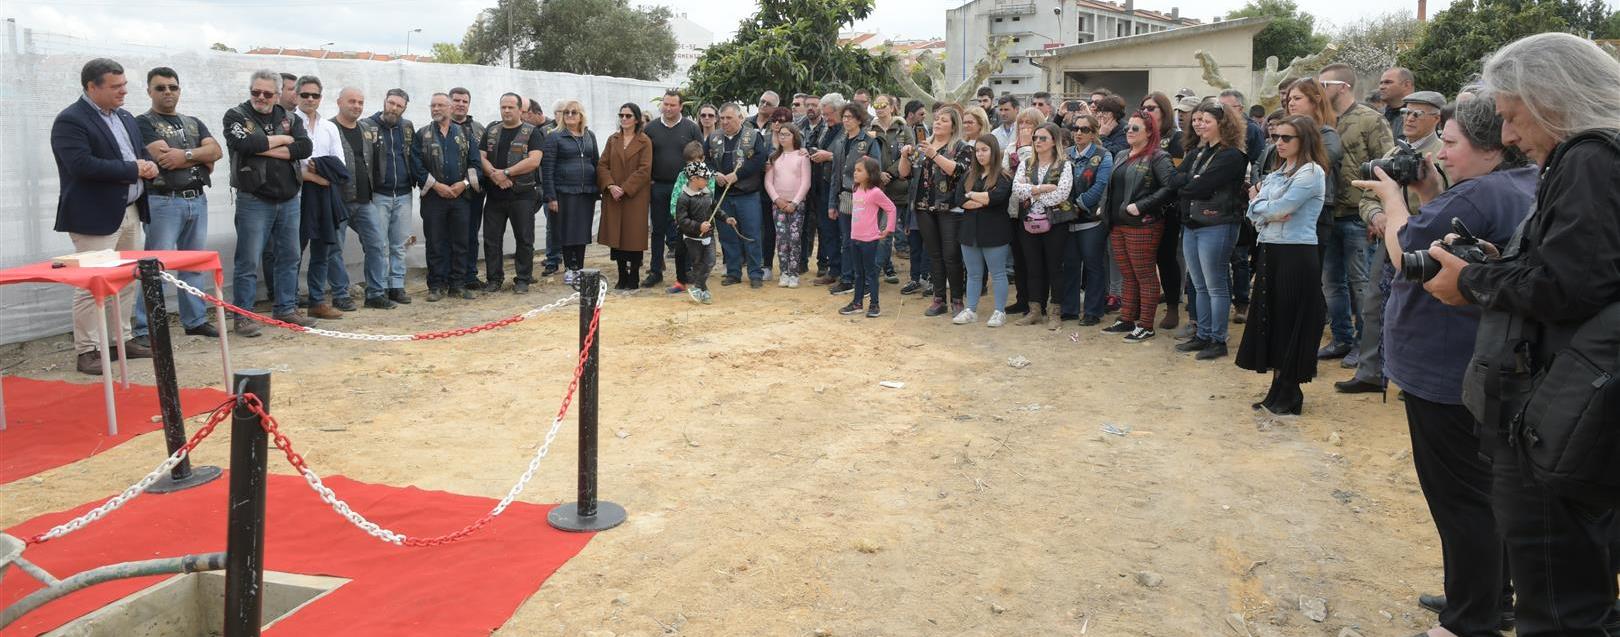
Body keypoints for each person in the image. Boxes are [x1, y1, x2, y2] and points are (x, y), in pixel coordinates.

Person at [1420, 32, 1620, 635]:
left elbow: (1569, 286)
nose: (1506, 137)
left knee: (1557, 599)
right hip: (1573, 409)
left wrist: (1475, 282)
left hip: (1558, 413)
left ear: (1552, 98)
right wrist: (1497, 264)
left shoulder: (1590, 157)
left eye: (1510, 117)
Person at [1352, 94, 1535, 637]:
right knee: (1486, 490)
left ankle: (1469, 618)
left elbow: (1406, 248)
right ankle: (1488, 596)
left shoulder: (1480, 193)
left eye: (1451, 143)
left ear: (1491, 147)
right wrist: (1432, 195)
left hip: (1444, 366)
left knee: (1460, 500)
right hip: (1478, 362)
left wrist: (1393, 199)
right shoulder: (1520, 184)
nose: (1442, 155)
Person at [1337, 90, 1451, 395]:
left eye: (1418, 114)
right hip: (1390, 241)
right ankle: (1371, 372)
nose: (1409, 119)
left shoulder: (1443, 154)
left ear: (1436, 118)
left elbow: (1449, 200)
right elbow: (1367, 195)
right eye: (1406, 113)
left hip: (1427, 243)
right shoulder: (1392, 155)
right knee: (1376, 304)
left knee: (1422, 309)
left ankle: (1414, 378)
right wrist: (1376, 215)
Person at [52, 58, 158, 374]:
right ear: (91, 87)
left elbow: (139, 153)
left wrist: (149, 165)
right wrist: (133, 169)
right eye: (115, 87)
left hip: (130, 211)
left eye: (124, 85)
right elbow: (81, 165)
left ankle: (119, 341)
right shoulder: (71, 120)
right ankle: (88, 350)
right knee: (92, 284)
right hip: (94, 216)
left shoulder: (124, 117)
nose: (123, 91)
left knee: (125, 281)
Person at [1237, 115, 1327, 415]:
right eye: (1276, 137)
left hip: (1296, 254)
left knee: (1290, 320)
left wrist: (1260, 205)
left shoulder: (1311, 172)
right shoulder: (1279, 171)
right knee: (1272, 320)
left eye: (1287, 138)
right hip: (1271, 250)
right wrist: (1261, 207)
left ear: (1305, 140)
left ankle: (1290, 391)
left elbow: (1281, 208)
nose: (1279, 143)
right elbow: (1261, 212)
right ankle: (1278, 387)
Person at [131, 66, 222, 348]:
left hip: (197, 198)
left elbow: (216, 152)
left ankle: (194, 321)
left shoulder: (193, 121)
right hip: (164, 200)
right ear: (149, 91)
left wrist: (185, 154)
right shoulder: (143, 122)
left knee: (193, 265)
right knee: (153, 267)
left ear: (179, 89)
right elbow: (163, 159)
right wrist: (198, 155)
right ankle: (145, 328)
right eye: (160, 88)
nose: (167, 92)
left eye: (172, 87)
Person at [223, 69, 315, 336]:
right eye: (255, 92)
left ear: (277, 95)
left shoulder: (289, 117)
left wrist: (263, 147)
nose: (260, 97)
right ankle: (243, 316)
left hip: (288, 198)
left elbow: (305, 148)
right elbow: (244, 144)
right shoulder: (236, 115)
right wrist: (284, 141)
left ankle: (286, 308)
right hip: (254, 198)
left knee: (290, 256)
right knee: (248, 260)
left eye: (266, 93)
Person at [1317, 63, 1397, 362]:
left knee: (1362, 285)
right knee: (1331, 283)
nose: (1320, 90)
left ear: (1344, 86)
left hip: (1357, 214)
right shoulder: (1322, 122)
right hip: (1327, 213)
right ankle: (1341, 339)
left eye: (1325, 85)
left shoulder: (1370, 120)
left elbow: (1385, 167)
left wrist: (1376, 211)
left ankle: (1366, 347)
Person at [1168, 101, 1249, 360]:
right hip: (1193, 223)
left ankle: (1218, 339)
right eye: (1197, 119)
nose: (1199, 124)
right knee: (1200, 284)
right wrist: (1191, 182)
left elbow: (1198, 187)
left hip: (1218, 223)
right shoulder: (1199, 152)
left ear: (1222, 124)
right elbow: (1175, 179)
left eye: (1206, 120)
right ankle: (1202, 334)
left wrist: (1190, 183)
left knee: (1215, 285)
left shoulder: (1232, 156)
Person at [1100, 111, 1174, 342]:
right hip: (1118, 224)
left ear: (1149, 132)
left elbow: (1170, 187)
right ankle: (1127, 318)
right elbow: (1112, 186)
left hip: (1142, 225)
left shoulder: (1158, 157)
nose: (1129, 132)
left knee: (1145, 275)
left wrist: (1142, 206)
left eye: (1135, 128)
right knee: (1128, 274)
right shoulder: (1123, 154)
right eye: (1127, 128)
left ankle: (1146, 325)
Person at [900, 106, 973, 317]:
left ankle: (957, 299)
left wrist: (934, 155)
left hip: (950, 208)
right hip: (924, 207)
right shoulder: (924, 145)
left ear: (953, 126)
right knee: (934, 255)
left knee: (951, 255)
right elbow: (905, 174)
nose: (938, 122)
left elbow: (958, 171)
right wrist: (905, 156)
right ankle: (939, 299)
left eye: (944, 120)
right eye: (937, 119)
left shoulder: (961, 147)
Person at [323, 87, 391, 312]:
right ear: (339, 102)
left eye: (360, 102)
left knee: (376, 245)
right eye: (352, 101)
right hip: (338, 200)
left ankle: (375, 293)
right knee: (334, 249)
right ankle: (341, 295)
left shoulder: (366, 130)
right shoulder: (328, 128)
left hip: (364, 200)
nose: (356, 106)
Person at [291, 76, 348, 320]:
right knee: (293, 252)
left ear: (320, 98)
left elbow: (341, 167)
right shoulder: (288, 123)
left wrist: (316, 167)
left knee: (322, 251)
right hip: (295, 196)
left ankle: (316, 301)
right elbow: (289, 165)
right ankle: (289, 303)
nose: (310, 99)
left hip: (325, 196)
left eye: (314, 95)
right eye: (305, 95)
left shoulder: (329, 127)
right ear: (296, 96)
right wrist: (315, 174)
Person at [416, 93, 480, 302]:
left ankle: (458, 285)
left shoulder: (465, 134)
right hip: (434, 198)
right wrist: (437, 186)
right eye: (433, 105)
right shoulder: (422, 134)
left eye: (441, 105)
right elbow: (415, 165)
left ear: (451, 108)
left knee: (460, 242)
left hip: (460, 198)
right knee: (435, 242)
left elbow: (475, 164)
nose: (436, 109)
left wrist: (463, 184)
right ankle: (436, 285)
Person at [1010, 123, 1074, 329]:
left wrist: (1033, 194)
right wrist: (1041, 189)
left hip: (1055, 223)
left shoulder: (1065, 164)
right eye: (1036, 137)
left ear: (1054, 141)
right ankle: (1035, 310)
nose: (1037, 141)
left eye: (1043, 138)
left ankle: (1056, 311)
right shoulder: (1025, 163)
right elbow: (1017, 190)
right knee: (1033, 266)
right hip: (1029, 222)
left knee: (1055, 267)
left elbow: (1062, 193)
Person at [478, 93, 543, 294]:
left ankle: (523, 279)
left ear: (519, 110)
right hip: (495, 195)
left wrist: (505, 173)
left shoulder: (532, 132)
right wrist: (494, 175)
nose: (506, 111)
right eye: (503, 107)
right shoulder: (491, 130)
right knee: (491, 239)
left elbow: (534, 161)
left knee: (524, 238)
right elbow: (480, 157)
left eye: (510, 107)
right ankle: (494, 279)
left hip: (522, 195)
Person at [703, 103, 769, 287]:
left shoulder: (753, 135)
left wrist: (737, 175)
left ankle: (755, 274)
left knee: (752, 234)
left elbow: (759, 159)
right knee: (727, 235)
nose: (724, 122)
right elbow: (705, 160)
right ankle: (733, 272)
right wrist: (715, 174)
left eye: (729, 118)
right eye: (722, 118)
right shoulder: (713, 137)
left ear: (740, 118)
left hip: (747, 194)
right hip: (723, 196)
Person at [953, 133, 1015, 327]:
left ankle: (999, 311)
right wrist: (982, 200)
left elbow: (996, 198)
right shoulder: (968, 174)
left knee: (997, 273)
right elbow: (959, 200)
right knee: (972, 274)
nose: (980, 154)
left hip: (994, 232)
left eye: (984, 150)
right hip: (969, 232)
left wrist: (973, 195)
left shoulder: (1003, 176)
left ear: (993, 152)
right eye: (977, 150)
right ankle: (971, 309)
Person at [644, 90, 704, 289]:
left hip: (685, 188)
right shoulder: (650, 128)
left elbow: (700, 157)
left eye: (672, 105)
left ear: (680, 107)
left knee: (684, 229)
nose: (668, 108)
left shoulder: (692, 128)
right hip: (658, 186)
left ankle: (686, 270)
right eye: (665, 104)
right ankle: (655, 270)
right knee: (658, 229)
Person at [823, 103, 884, 295]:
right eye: (844, 117)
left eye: (850, 117)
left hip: (863, 196)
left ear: (859, 119)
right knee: (847, 241)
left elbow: (875, 170)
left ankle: (865, 281)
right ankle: (848, 278)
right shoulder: (840, 141)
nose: (846, 120)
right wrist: (832, 203)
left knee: (864, 241)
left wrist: (868, 197)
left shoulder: (868, 141)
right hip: (844, 196)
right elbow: (835, 174)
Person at [1285, 79, 1346, 267]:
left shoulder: (1327, 135)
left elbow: (1316, 166)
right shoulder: (1284, 132)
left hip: (1316, 212)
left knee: (1308, 276)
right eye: (1289, 99)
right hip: (1285, 208)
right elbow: (1268, 165)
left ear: (1316, 100)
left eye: (1297, 98)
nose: (1291, 103)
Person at [1059, 114, 1113, 325]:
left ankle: (1093, 310)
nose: (1078, 133)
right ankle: (1070, 308)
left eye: (1084, 129)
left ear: (1094, 133)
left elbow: (1100, 186)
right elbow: (1057, 181)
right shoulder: (1065, 154)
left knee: (1093, 265)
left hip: (1091, 220)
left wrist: (1078, 204)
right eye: (1075, 128)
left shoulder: (1104, 155)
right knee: (1070, 265)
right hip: (1067, 218)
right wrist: (1066, 207)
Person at [540, 99, 600, 287]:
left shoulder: (589, 135)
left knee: (582, 232)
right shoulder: (554, 136)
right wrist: (550, 196)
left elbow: (596, 162)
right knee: (566, 231)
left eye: (574, 112)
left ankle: (580, 268)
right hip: (563, 191)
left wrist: (598, 189)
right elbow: (547, 168)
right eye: (566, 113)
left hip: (586, 192)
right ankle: (569, 269)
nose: (570, 116)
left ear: (581, 115)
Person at [369, 88, 419, 304]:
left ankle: (397, 286)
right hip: (379, 194)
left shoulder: (407, 127)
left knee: (399, 244)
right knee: (379, 244)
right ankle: (378, 288)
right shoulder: (367, 126)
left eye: (399, 105)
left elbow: (413, 155)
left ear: (404, 108)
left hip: (404, 193)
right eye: (391, 103)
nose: (394, 108)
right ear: (384, 101)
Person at [597, 102, 654, 291]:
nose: (624, 119)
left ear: (636, 119)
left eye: (628, 116)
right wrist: (611, 186)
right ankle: (621, 275)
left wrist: (626, 188)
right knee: (617, 237)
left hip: (634, 196)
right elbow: (602, 165)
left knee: (634, 237)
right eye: (621, 115)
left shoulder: (644, 141)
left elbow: (645, 169)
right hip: (613, 196)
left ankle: (634, 275)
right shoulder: (613, 139)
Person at [838, 157, 894, 318]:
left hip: (870, 240)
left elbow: (891, 208)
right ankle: (857, 303)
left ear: (870, 174)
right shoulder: (856, 189)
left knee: (871, 273)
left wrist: (888, 229)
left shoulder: (875, 192)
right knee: (858, 273)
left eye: (859, 170)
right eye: (855, 170)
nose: (855, 173)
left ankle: (874, 304)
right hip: (855, 237)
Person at [447, 87, 487, 291]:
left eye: (465, 101)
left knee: (471, 235)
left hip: (472, 193)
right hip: (447, 193)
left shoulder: (479, 129)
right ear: (449, 102)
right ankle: (448, 276)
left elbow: (485, 160)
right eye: (456, 100)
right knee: (447, 236)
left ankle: (470, 275)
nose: (461, 104)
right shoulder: (439, 127)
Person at [871, 95, 912, 285]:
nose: (880, 109)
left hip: (898, 188)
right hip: (876, 188)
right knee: (880, 232)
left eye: (883, 105)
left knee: (887, 232)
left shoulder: (904, 129)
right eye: (876, 105)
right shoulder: (870, 130)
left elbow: (911, 154)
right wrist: (878, 174)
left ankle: (883, 268)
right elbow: (866, 156)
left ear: (892, 107)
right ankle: (884, 268)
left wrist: (889, 173)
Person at [674, 164, 730, 304]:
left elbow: (715, 209)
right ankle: (703, 291)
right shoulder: (684, 198)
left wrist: (726, 218)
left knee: (710, 261)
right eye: (705, 178)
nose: (707, 180)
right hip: (692, 238)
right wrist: (699, 226)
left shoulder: (708, 193)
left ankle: (698, 286)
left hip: (708, 236)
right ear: (694, 179)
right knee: (698, 264)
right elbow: (682, 220)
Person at [765, 122, 811, 288]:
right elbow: (768, 182)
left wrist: (795, 202)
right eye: (781, 134)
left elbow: (806, 183)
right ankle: (784, 272)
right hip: (778, 205)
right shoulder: (774, 157)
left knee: (795, 238)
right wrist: (777, 199)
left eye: (787, 134)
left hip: (796, 205)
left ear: (794, 137)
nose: (783, 137)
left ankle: (794, 273)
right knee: (781, 239)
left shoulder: (802, 156)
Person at [899, 99, 932, 295]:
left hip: (929, 201)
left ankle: (927, 278)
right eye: (920, 114)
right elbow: (906, 171)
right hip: (912, 199)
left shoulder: (928, 138)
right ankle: (915, 278)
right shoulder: (903, 132)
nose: (924, 119)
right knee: (914, 242)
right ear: (910, 114)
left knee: (929, 244)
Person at [803, 94, 837, 279]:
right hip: (817, 184)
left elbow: (849, 156)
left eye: (828, 113)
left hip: (834, 185)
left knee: (831, 230)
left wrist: (828, 156)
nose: (825, 117)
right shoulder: (824, 129)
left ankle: (832, 268)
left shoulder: (843, 130)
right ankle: (826, 266)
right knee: (821, 228)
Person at [1377, 67, 1416, 138]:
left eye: (1388, 82)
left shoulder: (1420, 116)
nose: (1381, 87)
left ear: (1406, 85)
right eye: (1381, 83)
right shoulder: (1378, 115)